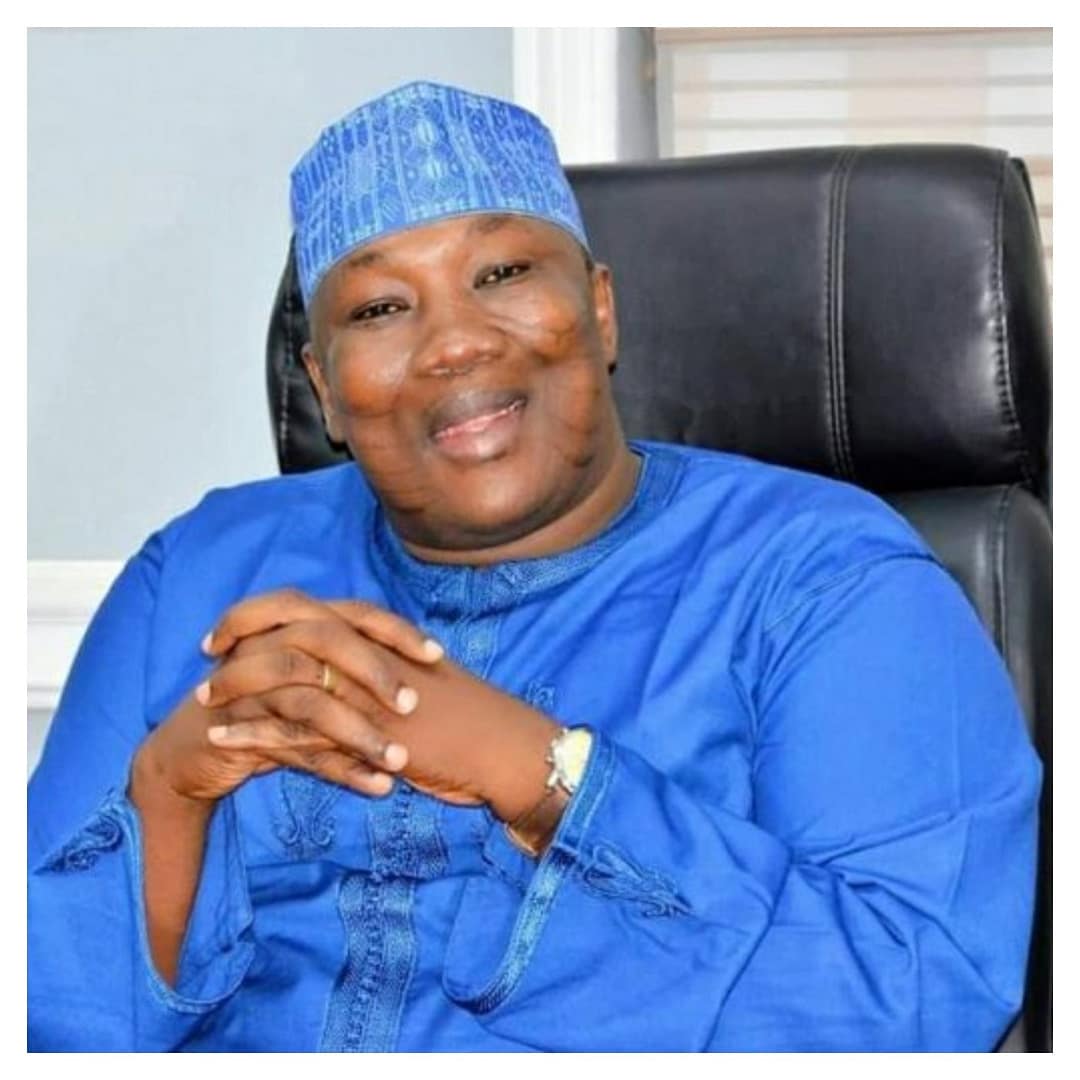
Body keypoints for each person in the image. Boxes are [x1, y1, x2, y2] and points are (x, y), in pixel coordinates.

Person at [28, 80, 1041, 1052]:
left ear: (600, 309)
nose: (454, 344)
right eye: (379, 309)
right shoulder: (197, 574)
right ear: (324, 390)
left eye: (503, 274)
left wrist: (538, 773)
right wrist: (169, 793)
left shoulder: (826, 580)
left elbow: (915, 1003)